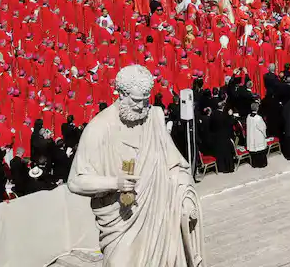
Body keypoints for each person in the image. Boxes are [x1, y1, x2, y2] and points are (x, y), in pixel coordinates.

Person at [66, 65, 203, 267]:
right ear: (121, 93)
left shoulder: (153, 118)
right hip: (121, 223)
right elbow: (76, 181)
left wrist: (186, 199)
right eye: (137, 100)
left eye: (145, 100)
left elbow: (176, 166)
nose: (141, 107)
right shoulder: (98, 129)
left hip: (159, 219)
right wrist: (115, 182)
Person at [245, 101, 268, 168]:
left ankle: (255, 164)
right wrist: (265, 135)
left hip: (251, 136)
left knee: (254, 152)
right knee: (260, 151)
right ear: (257, 108)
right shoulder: (258, 118)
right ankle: (262, 164)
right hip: (258, 137)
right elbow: (263, 127)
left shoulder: (248, 116)